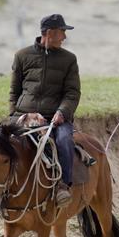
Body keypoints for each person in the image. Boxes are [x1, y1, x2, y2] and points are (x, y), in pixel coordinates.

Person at [9, 14, 80, 207]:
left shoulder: (69, 59)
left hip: (55, 117)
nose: (64, 37)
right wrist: (19, 115)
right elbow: (14, 91)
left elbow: (72, 93)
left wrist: (62, 112)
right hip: (23, 115)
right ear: (49, 33)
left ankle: (63, 185)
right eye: (62, 32)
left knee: (64, 140)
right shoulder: (22, 56)